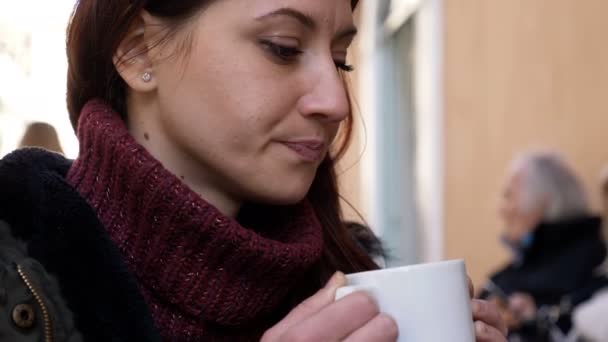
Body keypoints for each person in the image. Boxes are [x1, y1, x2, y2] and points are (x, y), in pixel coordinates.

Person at [0, 1, 507, 341]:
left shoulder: (350, 283)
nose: (336, 103)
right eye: (283, 48)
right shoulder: (14, 268)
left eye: (341, 59)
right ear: (137, 50)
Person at [479, 151, 608, 342]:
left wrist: (534, 323)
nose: (503, 209)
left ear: (542, 203)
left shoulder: (596, 277)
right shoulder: (502, 283)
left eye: (509, 195)